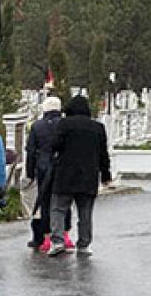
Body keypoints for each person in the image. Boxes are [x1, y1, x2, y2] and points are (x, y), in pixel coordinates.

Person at [47, 94, 112, 257]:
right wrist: (105, 175)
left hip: (65, 175)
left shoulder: (64, 124)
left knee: (58, 209)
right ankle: (84, 244)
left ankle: (58, 241)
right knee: (85, 212)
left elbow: (55, 145)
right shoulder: (98, 128)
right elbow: (103, 154)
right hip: (88, 176)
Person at [24, 96, 73, 252]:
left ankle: (46, 238)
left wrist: (30, 172)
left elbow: (31, 151)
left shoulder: (37, 126)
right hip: (63, 168)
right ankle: (65, 235)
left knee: (45, 203)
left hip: (43, 168)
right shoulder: (66, 125)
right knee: (63, 202)